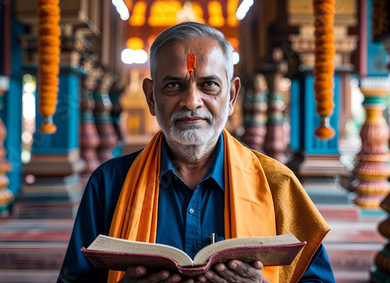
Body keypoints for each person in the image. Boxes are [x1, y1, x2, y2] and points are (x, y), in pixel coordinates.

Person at [58, 22, 334, 283]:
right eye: (173, 85)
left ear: (232, 96)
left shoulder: (277, 184)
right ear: (151, 97)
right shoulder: (109, 183)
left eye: (209, 84)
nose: (191, 101)